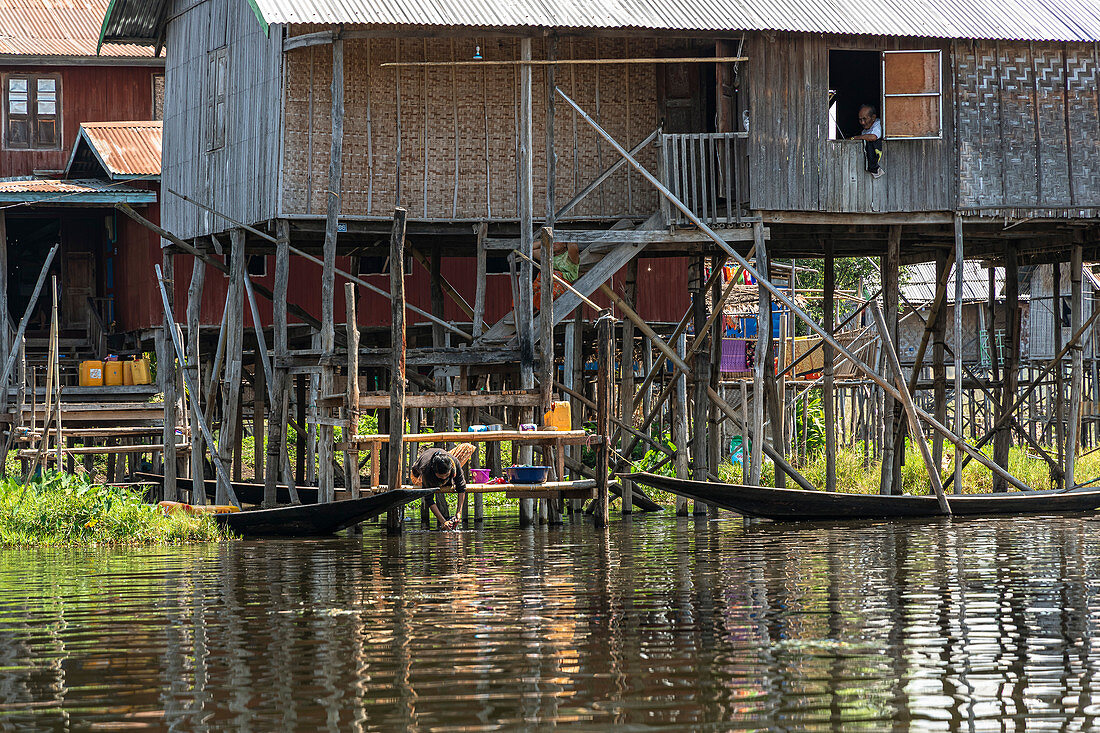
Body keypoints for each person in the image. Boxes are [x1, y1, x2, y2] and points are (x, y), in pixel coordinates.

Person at [410, 444, 474, 530]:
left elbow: (461, 487)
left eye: (446, 475)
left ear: (451, 468)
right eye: (441, 476)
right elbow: (428, 498)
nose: (444, 477)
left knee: (467, 447)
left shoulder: (454, 462)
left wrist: (459, 513)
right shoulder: (426, 469)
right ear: (434, 471)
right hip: (417, 475)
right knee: (422, 481)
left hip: (444, 457)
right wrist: (443, 521)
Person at [532, 239, 580, 310]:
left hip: (561, 285)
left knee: (545, 294)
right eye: (552, 240)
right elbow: (528, 250)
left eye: (557, 240)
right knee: (521, 299)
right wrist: (545, 241)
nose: (553, 243)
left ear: (564, 244)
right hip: (542, 283)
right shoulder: (548, 255)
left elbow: (573, 245)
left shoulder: (570, 256)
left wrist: (567, 237)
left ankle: (535, 310)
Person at [852, 104, 884, 179]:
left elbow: (873, 137)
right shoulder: (864, 131)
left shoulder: (878, 124)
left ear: (873, 117)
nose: (862, 122)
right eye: (860, 120)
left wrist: (855, 138)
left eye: (864, 119)